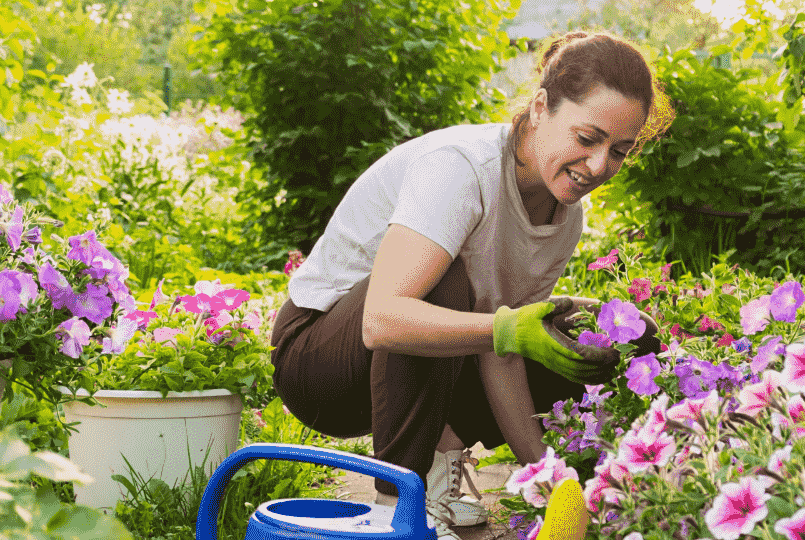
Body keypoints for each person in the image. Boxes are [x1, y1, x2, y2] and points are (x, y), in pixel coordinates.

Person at [269, 30, 673, 539]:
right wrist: (508, 329)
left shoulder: (563, 213)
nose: (598, 166)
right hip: (320, 363)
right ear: (541, 107)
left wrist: (549, 483)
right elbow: (383, 320)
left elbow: (498, 344)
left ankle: (443, 457)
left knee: (600, 331)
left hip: (412, 369)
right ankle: (400, 506)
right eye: (587, 139)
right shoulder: (461, 168)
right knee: (445, 284)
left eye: (619, 151)